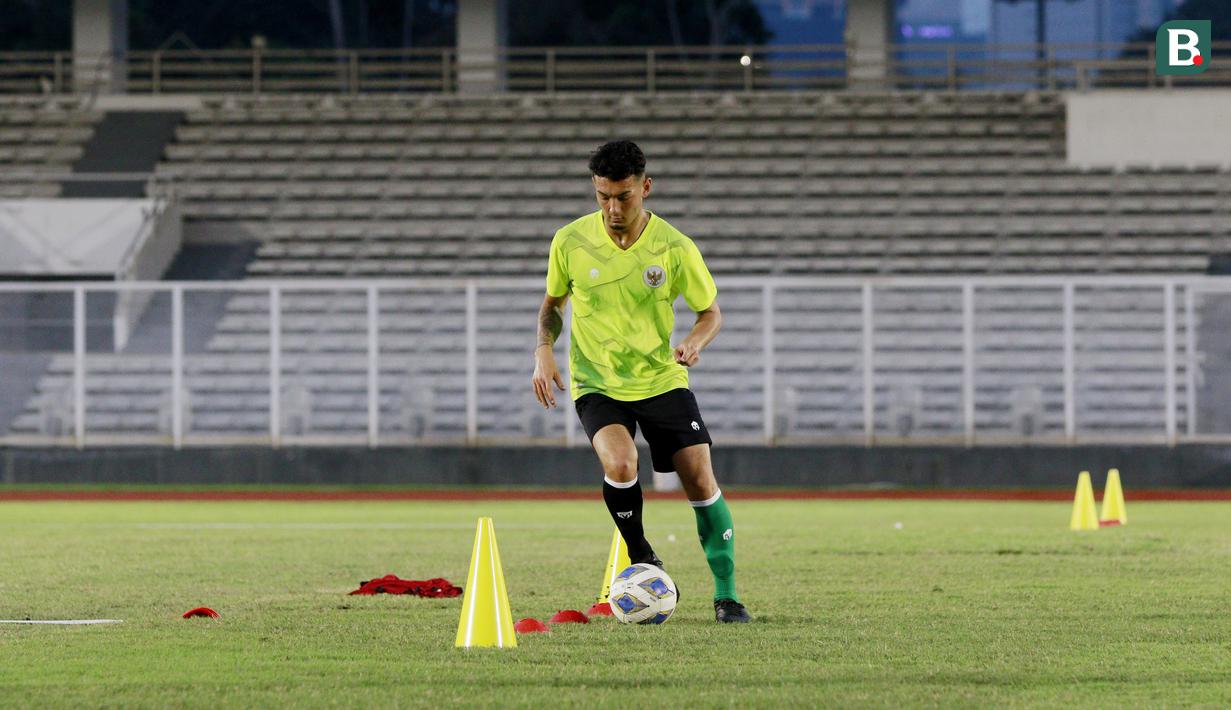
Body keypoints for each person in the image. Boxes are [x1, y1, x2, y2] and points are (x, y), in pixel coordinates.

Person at [530, 140, 751, 624]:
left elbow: (711, 313)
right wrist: (543, 351)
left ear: (645, 188)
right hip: (597, 381)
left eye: (623, 196)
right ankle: (643, 556)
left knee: (699, 479)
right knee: (620, 460)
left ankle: (727, 595)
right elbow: (552, 305)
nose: (612, 208)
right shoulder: (568, 241)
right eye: (602, 196)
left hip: (661, 378)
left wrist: (695, 342)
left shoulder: (674, 247)